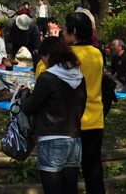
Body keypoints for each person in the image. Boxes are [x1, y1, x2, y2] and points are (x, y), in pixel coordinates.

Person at [38, 11, 104, 194]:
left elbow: (41, 76)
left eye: (64, 30)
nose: (62, 34)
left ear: (73, 31)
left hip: (68, 124)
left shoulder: (63, 57)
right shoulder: (97, 54)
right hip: (95, 121)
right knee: (94, 173)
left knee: (64, 179)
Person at [22, 36, 86, 194]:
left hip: (51, 140)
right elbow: (81, 106)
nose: (43, 62)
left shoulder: (48, 77)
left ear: (49, 55)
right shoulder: (79, 76)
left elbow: (28, 108)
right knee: (70, 189)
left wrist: (24, 93)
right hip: (74, 140)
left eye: (43, 57)